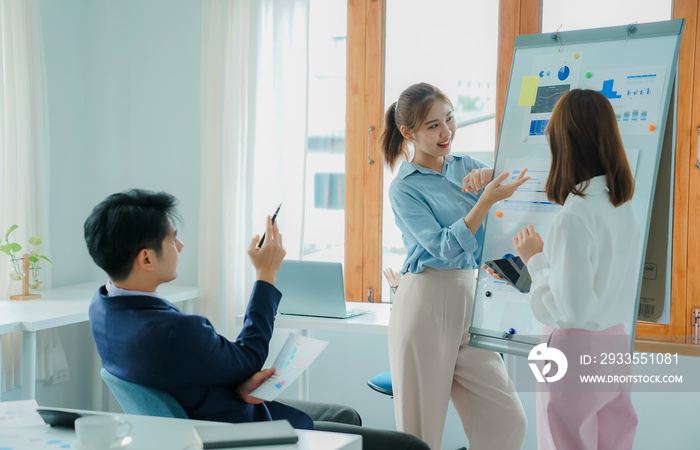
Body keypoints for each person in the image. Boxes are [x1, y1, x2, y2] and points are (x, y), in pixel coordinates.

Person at [85, 189, 429, 450]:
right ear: (146, 258)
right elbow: (248, 357)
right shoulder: (174, 331)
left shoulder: (103, 307)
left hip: (206, 408)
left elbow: (180, 370)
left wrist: (238, 382)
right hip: (232, 432)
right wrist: (266, 276)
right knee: (410, 446)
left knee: (344, 416)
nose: (181, 246)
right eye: (173, 239)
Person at [379, 82, 529, 450]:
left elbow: (516, 204)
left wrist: (494, 174)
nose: (446, 132)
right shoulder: (404, 189)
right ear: (407, 132)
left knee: (507, 421)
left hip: (471, 297)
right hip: (425, 301)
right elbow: (443, 246)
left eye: (449, 119)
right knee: (420, 436)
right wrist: (484, 202)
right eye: (432, 126)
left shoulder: (468, 168)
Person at [509, 88, 640, 450]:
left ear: (564, 143)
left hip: (572, 346)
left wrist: (535, 258)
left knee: (564, 442)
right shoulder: (619, 204)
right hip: (614, 340)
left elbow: (572, 309)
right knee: (615, 439)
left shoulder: (575, 214)